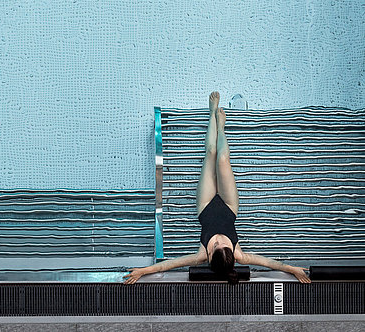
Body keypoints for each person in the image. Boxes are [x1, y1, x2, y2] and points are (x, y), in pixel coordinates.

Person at [123, 91, 311, 285]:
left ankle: (212, 111)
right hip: (229, 206)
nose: (219, 241)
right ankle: (221, 127)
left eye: (215, 246)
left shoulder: (201, 254)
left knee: (211, 153)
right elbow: (270, 263)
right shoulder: (239, 254)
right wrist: (291, 268)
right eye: (223, 245)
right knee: (222, 160)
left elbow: (168, 265)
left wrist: (143, 271)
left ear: (210, 256)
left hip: (205, 206)